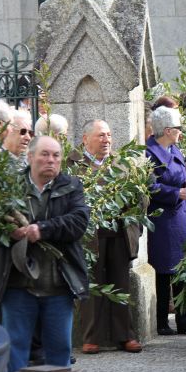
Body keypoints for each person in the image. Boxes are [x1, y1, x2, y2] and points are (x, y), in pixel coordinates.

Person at [0, 136, 90, 372]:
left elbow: (78, 222)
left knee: (59, 351)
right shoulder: (11, 186)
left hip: (57, 286)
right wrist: (8, 231)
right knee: (15, 352)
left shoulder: (71, 186)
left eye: (56, 156)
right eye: (45, 155)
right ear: (30, 157)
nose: (51, 161)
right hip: (18, 285)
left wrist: (42, 229)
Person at [72, 120, 143, 354]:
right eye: (101, 136)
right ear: (85, 139)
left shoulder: (122, 163)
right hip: (89, 236)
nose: (107, 140)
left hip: (118, 234)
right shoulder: (73, 164)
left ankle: (125, 336)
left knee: (121, 284)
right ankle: (92, 337)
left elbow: (139, 197)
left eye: (109, 135)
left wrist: (135, 222)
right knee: (92, 288)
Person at [146, 107, 186, 336]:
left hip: (178, 216)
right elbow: (148, 186)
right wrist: (174, 193)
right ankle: (160, 321)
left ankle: (184, 320)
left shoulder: (174, 148)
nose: (181, 132)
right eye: (178, 129)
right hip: (161, 217)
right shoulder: (149, 154)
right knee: (162, 269)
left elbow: (179, 175)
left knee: (181, 267)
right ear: (168, 130)